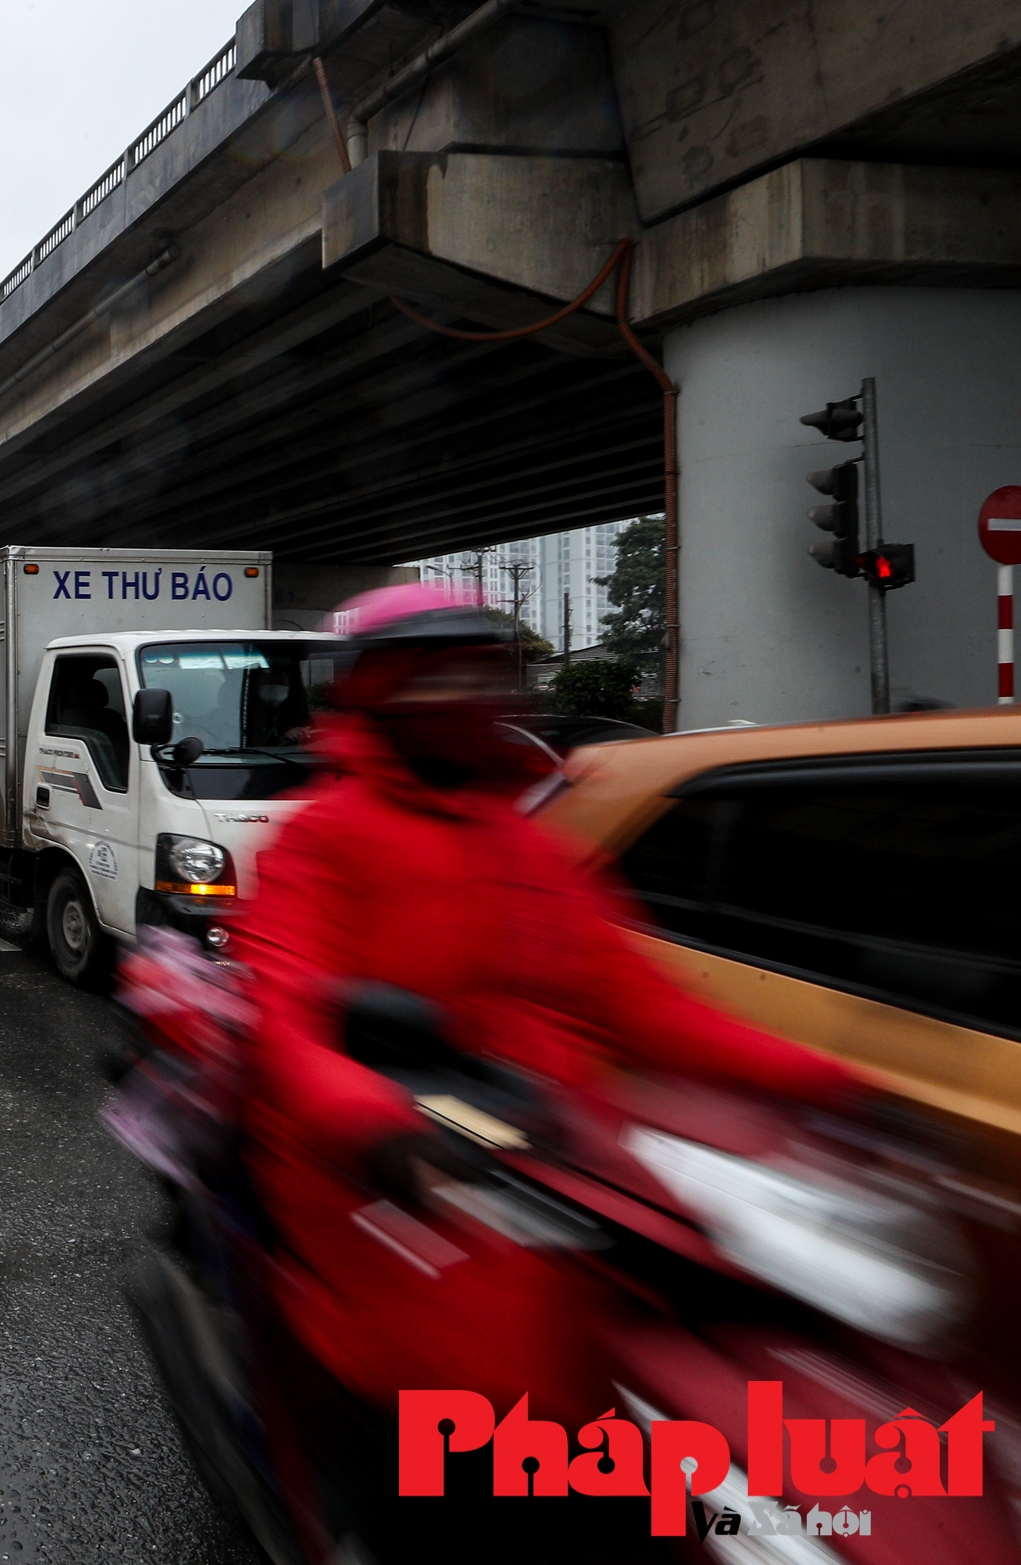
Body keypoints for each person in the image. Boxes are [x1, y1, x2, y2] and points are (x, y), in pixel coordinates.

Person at [230, 582, 863, 1546]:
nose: (472, 696)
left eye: (485, 673)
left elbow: (645, 1005)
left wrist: (831, 1087)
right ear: (383, 692)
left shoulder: (526, 844)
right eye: (441, 677)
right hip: (395, 1183)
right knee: (452, 1436)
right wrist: (376, 1124)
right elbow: (290, 1021)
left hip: (548, 1162)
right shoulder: (323, 841)